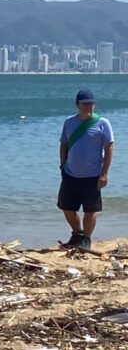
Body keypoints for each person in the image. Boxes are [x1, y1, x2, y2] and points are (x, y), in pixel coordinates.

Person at [58, 89, 114, 250]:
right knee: (67, 207)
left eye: (91, 103)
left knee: (90, 210)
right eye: (85, 104)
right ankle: (77, 234)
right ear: (77, 105)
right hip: (70, 173)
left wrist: (104, 173)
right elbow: (63, 145)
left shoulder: (103, 123)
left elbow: (109, 148)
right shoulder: (69, 122)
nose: (88, 106)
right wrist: (62, 165)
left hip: (93, 175)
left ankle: (87, 239)